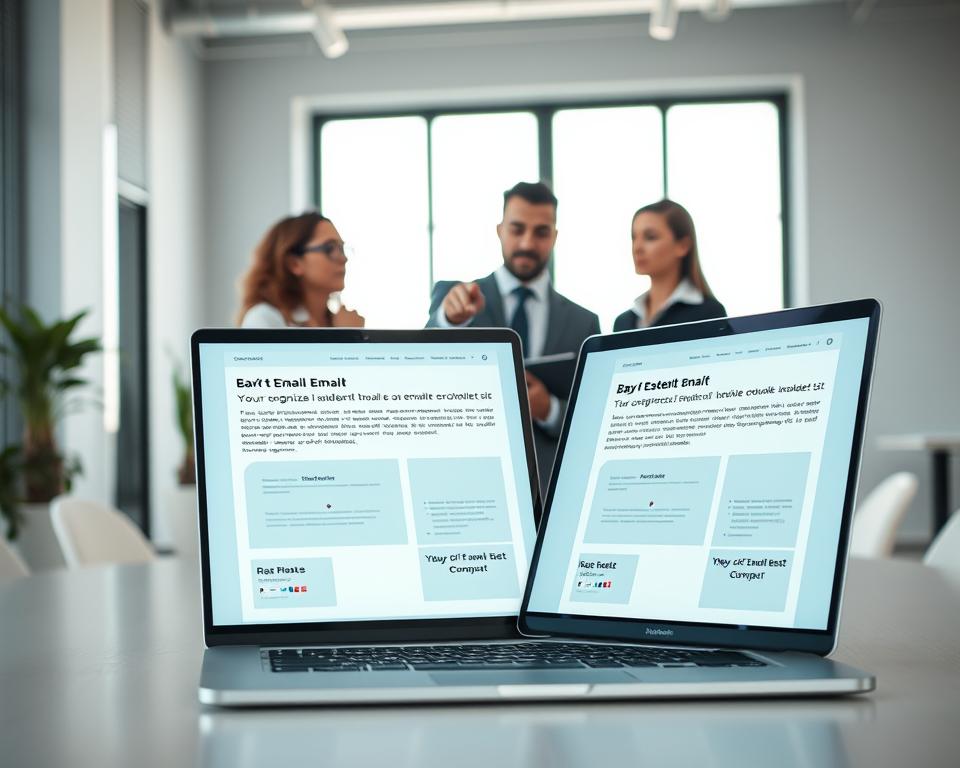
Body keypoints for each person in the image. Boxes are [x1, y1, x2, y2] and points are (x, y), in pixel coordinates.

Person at [427, 181, 600, 494]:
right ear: (499, 230)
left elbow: (594, 424)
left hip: (550, 494)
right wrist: (449, 320)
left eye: (541, 232)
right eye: (517, 229)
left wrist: (549, 409)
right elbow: (423, 372)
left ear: (555, 237)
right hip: (468, 486)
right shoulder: (458, 299)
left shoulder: (583, 322)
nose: (527, 243)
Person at [237, 211, 364, 328]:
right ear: (294, 263)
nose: (344, 259)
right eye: (329, 248)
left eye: (341, 249)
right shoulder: (264, 319)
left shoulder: (339, 320)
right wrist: (347, 335)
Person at [613, 199, 725, 331]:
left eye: (650, 237)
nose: (637, 247)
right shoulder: (622, 323)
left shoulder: (710, 314)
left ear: (683, 246)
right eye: (634, 237)